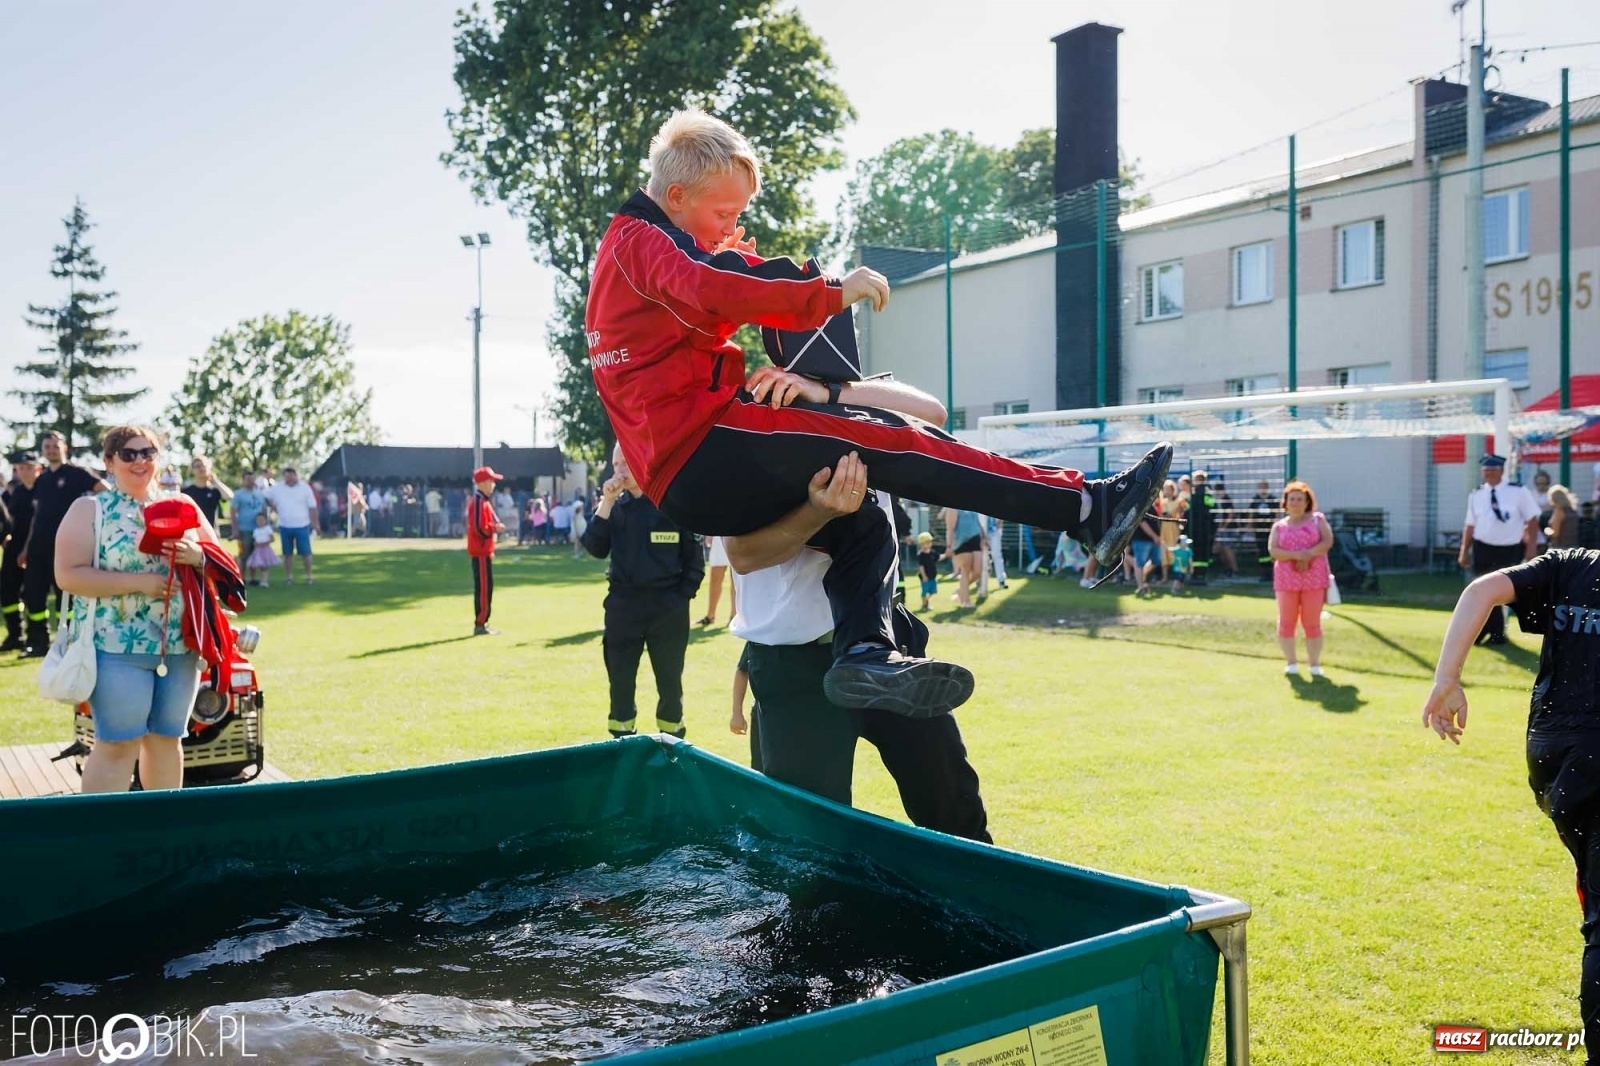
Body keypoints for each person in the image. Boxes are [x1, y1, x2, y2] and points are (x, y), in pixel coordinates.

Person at [585, 107, 1172, 716]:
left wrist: (739, 260)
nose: (731, 228)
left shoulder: (638, 253)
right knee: (892, 439)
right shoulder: (643, 244)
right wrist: (829, 291)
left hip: (686, 469)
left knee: (857, 506)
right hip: (701, 447)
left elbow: (716, 283)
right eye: (724, 215)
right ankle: (1083, 507)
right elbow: (716, 283)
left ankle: (866, 650)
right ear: (676, 196)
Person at [725, 452, 991, 843]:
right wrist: (819, 511)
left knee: (956, 813)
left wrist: (830, 396)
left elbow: (932, 414)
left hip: (888, 649)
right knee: (811, 845)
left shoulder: (861, 409)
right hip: (795, 663)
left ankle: (984, 900)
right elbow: (742, 554)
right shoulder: (748, 436)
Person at [1421, 548, 1600, 1059]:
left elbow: (1479, 591)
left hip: (1553, 757)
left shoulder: (1573, 564)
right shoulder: (1570, 563)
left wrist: (1446, 679)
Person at [54, 426, 219, 794]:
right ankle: (102, 838)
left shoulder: (184, 505)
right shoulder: (90, 509)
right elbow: (68, 575)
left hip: (180, 646)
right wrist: (139, 582)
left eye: (148, 452)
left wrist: (198, 556)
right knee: (118, 744)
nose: (140, 460)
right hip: (115, 649)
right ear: (109, 462)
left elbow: (222, 564)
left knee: (167, 740)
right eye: (128, 454)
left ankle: (160, 835)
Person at [582, 444, 704, 738]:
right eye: (615, 463)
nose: (619, 470)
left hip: (667, 612)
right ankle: (622, 745)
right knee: (620, 685)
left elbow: (695, 563)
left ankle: (671, 746)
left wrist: (679, 600)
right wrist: (607, 502)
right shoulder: (615, 508)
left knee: (670, 686)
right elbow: (594, 547)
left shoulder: (672, 505)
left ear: (643, 460)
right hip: (623, 610)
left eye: (625, 462)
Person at [19, 430, 106, 657]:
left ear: (64, 447)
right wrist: (27, 548)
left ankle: (68, 642)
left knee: (65, 596)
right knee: (34, 594)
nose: (51, 450)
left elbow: (107, 492)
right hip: (38, 547)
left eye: (55, 446)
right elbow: (36, 516)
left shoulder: (77, 473)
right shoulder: (43, 479)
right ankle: (38, 643)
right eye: (46, 447)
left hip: (67, 547)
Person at [1458, 454, 1540, 646]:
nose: (1489, 474)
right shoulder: (1476, 494)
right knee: (1483, 589)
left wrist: (1531, 548)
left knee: (1500, 590)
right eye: (1486, 471)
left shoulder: (1518, 492)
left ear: (1502, 471)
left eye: (1493, 470)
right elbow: (1470, 525)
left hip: (1509, 548)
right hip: (1483, 546)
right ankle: (1494, 632)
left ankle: (1489, 632)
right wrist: (1464, 550)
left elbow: (1532, 520)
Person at [1268, 480, 1334, 676]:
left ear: (1307, 502)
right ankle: (1291, 663)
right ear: (1285, 502)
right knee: (1287, 621)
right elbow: (1274, 550)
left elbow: (1327, 541)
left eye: (1300, 499)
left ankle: (1314, 665)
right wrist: (1297, 556)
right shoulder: (1279, 526)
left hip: (1314, 579)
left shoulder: (1317, 520)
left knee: (1312, 622)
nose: (1295, 503)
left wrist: (1308, 554)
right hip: (1286, 580)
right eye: (1292, 499)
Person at [1, 451, 40, 652]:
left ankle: (36, 638)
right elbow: (8, 519)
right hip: (13, 547)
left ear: (37, 468)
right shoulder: (14, 493)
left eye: (28, 467)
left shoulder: (42, 491)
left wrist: (27, 549)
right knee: (7, 591)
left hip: (34, 549)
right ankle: (15, 635)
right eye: (20, 468)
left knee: (32, 594)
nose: (24, 472)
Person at [467, 466, 506, 635]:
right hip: (480, 552)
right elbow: (478, 528)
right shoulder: (478, 502)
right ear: (483, 483)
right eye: (491, 481)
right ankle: (481, 623)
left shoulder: (484, 502)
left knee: (487, 587)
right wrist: (494, 529)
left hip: (484, 552)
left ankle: (483, 622)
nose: (493, 485)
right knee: (483, 588)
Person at [265, 466, 319, 585]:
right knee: (287, 554)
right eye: (286, 477)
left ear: (295, 475)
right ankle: (289, 577)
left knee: (306, 553)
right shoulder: (278, 488)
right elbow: (264, 496)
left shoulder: (305, 488)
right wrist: (273, 506)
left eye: (290, 477)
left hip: (302, 525)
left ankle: (309, 576)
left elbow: (312, 507)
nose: (288, 480)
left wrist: (315, 524)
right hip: (285, 525)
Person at [728, 643, 762, 771]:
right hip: (762, 716)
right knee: (761, 772)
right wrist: (737, 713)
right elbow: (742, 670)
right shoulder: (759, 633)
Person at [941, 508, 983, 609]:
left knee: (978, 571)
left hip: (975, 539)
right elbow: (950, 528)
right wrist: (949, 546)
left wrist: (984, 537)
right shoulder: (952, 509)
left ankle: (961, 590)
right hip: (961, 542)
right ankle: (966, 602)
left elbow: (977, 523)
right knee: (966, 570)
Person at [181, 455, 233, 534]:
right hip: (194, 534)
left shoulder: (214, 490)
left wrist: (216, 482)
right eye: (197, 466)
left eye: (203, 465)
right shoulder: (187, 492)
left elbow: (230, 496)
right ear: (192, 470)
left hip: (213, 533)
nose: (201, 468)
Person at [230, 470, 268, 575]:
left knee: (256, 554)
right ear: (243, 480)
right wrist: (235, 529)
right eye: (248, 479)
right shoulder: (238, 494)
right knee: (243, 555)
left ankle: (253, 578)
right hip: (244, 529)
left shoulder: (260, 494)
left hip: (259, 530)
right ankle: (240, 578)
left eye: (252, 479)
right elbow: (233, 512)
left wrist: (266, 527)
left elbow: (264, 510)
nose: (250, 481)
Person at [698, 536, 736, 626]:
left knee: (736, 578)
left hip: (737, 535)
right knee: (715, 577)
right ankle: (710, 616)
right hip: (719, 536)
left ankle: (734, 616)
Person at [245, 512, 280, 588]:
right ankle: (257, 579)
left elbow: (272, 539)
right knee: (258, 565)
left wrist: (264, 543)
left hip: (265, 550)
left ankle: (264, 581)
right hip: (258, 550)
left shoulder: (267, 529)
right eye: (258, 520)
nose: (260, 521)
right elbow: (255, 540)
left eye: (262, 520)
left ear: (265, 520)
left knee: (264, 566)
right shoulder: (256, 530)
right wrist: (256, 544)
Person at [1547, 483, 1580, 550]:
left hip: (1560, 549)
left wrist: (1547, 531)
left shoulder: (1559, 511)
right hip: (1574, 547)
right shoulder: (1573, 511)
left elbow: (1555, 534)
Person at [915, 531, 939, 612]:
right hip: (925, 577)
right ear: (921, 544)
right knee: (925, 591)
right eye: (926, 543)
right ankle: (924, 604)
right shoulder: (921, 555)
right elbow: (921, 567)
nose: (928, 544)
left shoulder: (932, 552)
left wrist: (946, 555)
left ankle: (926, 601)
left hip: (933, 576)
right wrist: (924, 576)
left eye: (929, 542)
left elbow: (938, 558)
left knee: (933, 591)